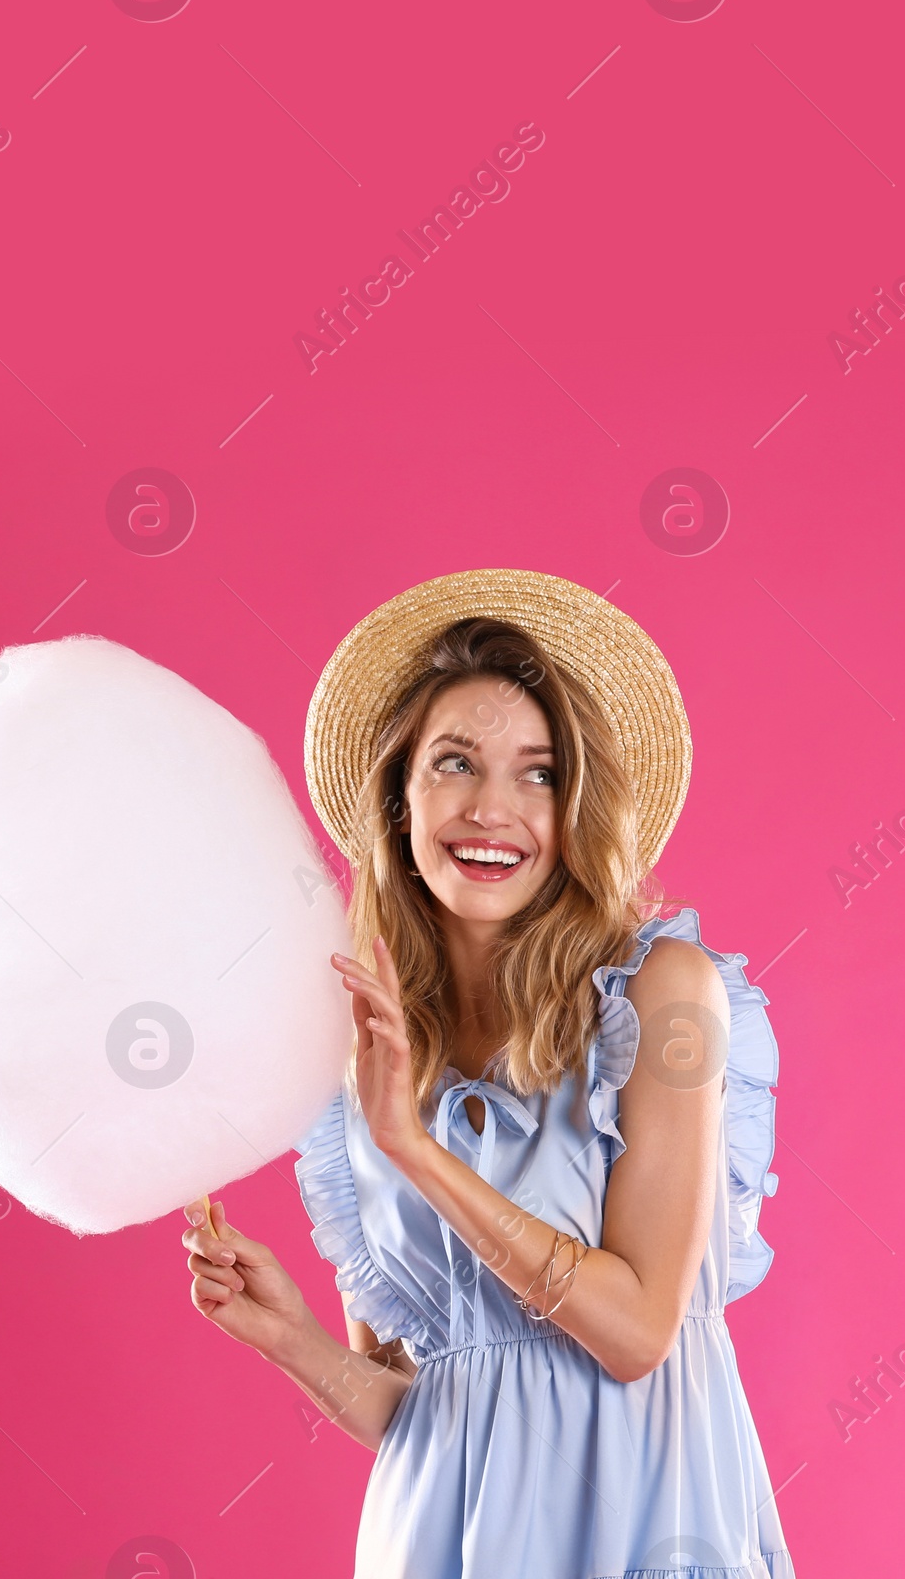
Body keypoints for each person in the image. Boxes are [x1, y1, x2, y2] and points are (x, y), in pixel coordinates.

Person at [182, 569, 795, 1578]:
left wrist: (419, 1153)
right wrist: (287, 1335)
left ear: (577, 805)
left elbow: (637, 1330)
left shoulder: (661, 1000)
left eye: (539, 773)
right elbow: (423, 1409)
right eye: (454, 763)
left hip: (652, 1527)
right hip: (439, 1544)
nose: (492, 809)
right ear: (400, 795)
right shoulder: (363, 1059)